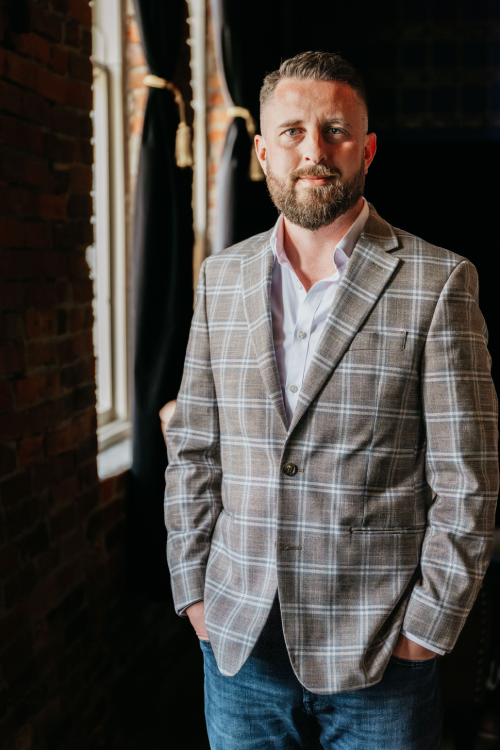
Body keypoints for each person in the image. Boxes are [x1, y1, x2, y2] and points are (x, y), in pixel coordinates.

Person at [164, 51, 499, 749]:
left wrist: (426, 631)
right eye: (291, 132)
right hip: (237, 651)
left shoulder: (439, 283)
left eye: (335, 131)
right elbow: (195, 448)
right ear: (261, 151)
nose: (313, 150)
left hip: (382, 661)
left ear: (367, 149)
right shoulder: (217, 281)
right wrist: (193, 593)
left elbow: (467, 480)